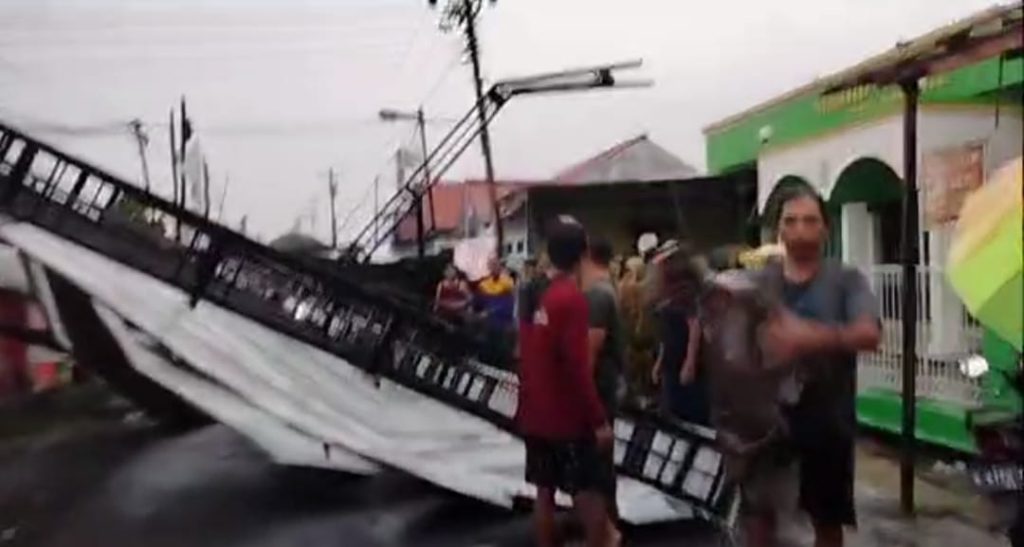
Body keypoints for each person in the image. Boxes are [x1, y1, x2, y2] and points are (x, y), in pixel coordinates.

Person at [746, 186, 881, 547]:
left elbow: (870, 333)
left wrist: (808, 337)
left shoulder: (846, 280)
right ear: (779, 230)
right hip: (768, 424)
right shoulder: (760, 283)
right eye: (791, 221)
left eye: (810, 221)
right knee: (759, 518)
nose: (800, 230)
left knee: (827, 521)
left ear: (826, 229)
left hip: (827, 422)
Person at [517, 216, 616, 547]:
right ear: (583, 253)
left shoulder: (531, 292)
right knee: (589, 492)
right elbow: (577, 367)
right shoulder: (571, 298)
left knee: (544, 492)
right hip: (567, 418)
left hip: (535, 411)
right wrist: (598, 420)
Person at [583, 237, 627, 528]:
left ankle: (607, 526)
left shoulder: (598, 294)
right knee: (598, 461)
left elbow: (590, 353)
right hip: (605, 382)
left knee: (596, 461)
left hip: (600, 386)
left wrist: (582, 395)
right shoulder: (604, 289)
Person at [650, 243, 709, 425]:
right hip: (672, 358)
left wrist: (690, 362)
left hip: (684, 359)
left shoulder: (687, 293)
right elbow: (665, 333)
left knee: (688, 412)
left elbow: (694, 326)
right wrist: (660, 361)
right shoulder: (669, 295)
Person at [477, 256, 516, 365]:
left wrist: (490, 311)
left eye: (496, 265)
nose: (493, 267)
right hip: (488, 324)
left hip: (503, 323)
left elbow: (510, 303)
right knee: (489, 352)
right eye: (491, 265)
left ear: (499, 266)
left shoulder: (508, 282)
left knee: (502, 353)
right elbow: (480, 302)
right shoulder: (484, 284)